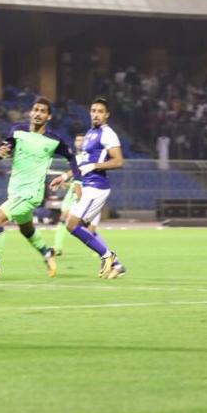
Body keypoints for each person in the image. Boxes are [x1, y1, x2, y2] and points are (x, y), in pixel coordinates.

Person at [0, 98, 79, 282]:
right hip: (15, 191)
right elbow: (7, 147)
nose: (38, 113)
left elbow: (73, 159)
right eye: (36, 110)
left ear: (49, 116)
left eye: (43, 111)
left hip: (31, 194)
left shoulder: (54, 140)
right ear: (31, 113)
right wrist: (1, 153)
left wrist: (73, 178)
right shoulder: (17, 130)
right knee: (26, 229)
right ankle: (47, 253)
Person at [51, 97, 127, 279]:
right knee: (84, 228)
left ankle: (108, 256)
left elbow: (118, 161)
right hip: (88, 185)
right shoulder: (90, 134)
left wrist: (95, 166)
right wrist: (65, 176)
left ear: (107, 115)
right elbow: (82, 163)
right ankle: (117, 265)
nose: (96, 114)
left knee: (71, 224)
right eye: (93, 111)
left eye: (100, 111)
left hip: (96, 186)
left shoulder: (108, 134)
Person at [52, 134, 100, 256]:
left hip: (84, 191)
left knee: (85, 224)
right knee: (63, 217)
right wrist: (67, 182)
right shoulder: (75, 157)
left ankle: (101, 249)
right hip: (72, 191)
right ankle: (57, 247)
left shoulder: (90, 156)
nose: (79, 142)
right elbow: (75, 173)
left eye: (82, 140)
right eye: (77, 140)